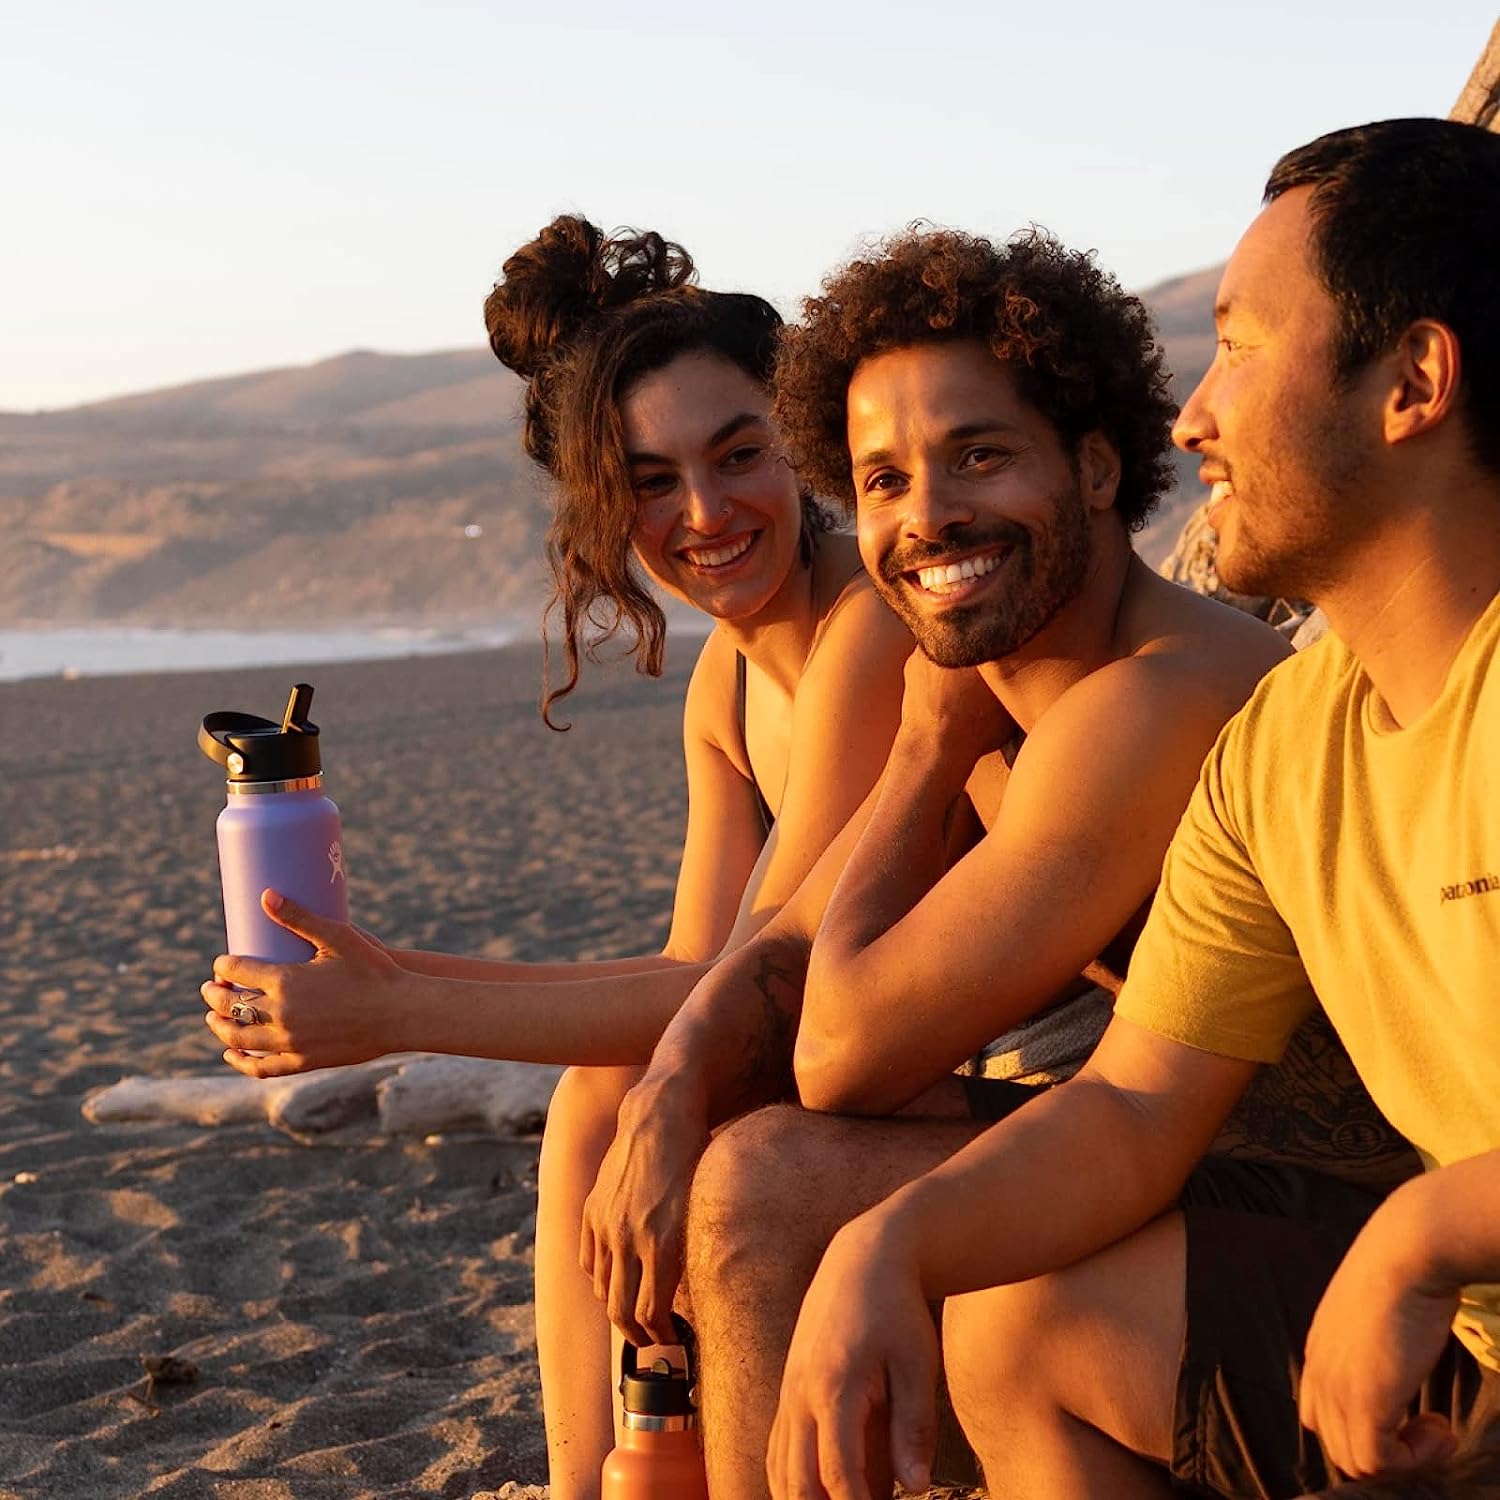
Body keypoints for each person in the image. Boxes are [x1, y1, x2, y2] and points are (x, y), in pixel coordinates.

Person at [580, 226, 1409, 1500]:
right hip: (1193, 1158)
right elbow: (793, 944)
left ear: (1092, 466)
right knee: (736, 1134)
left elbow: (843, 1043)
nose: (928, 516)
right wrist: (674, 1075)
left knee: (766, 1178)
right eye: (885, 480)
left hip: (1344, 1207)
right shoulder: (1011, 677)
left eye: (977, 456)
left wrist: (923, 748)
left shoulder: (1155, 696)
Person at [768, 117, 1500, 1500]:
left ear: (1413, 381)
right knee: (1019, 1319)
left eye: (1241, 344)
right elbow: (1133, 1104)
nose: (1193, 413)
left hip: (1433, 1279)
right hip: (1464, 1348)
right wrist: (896, 1245)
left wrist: (1420, 1236)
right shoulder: (1288, 740)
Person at [198, 215, 913, 1500]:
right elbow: (695, 972)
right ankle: (586, 1477)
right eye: (648, 480)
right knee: (600, 1088)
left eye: (738, 454)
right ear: (602, 503)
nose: (702, 512)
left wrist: (396, 1011)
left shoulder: (870, 629)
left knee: (606, 1095)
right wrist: (367, 977)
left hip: (968, 1075)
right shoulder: (726, 691)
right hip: (844, 1061)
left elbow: (757, 985)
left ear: (801, 441)